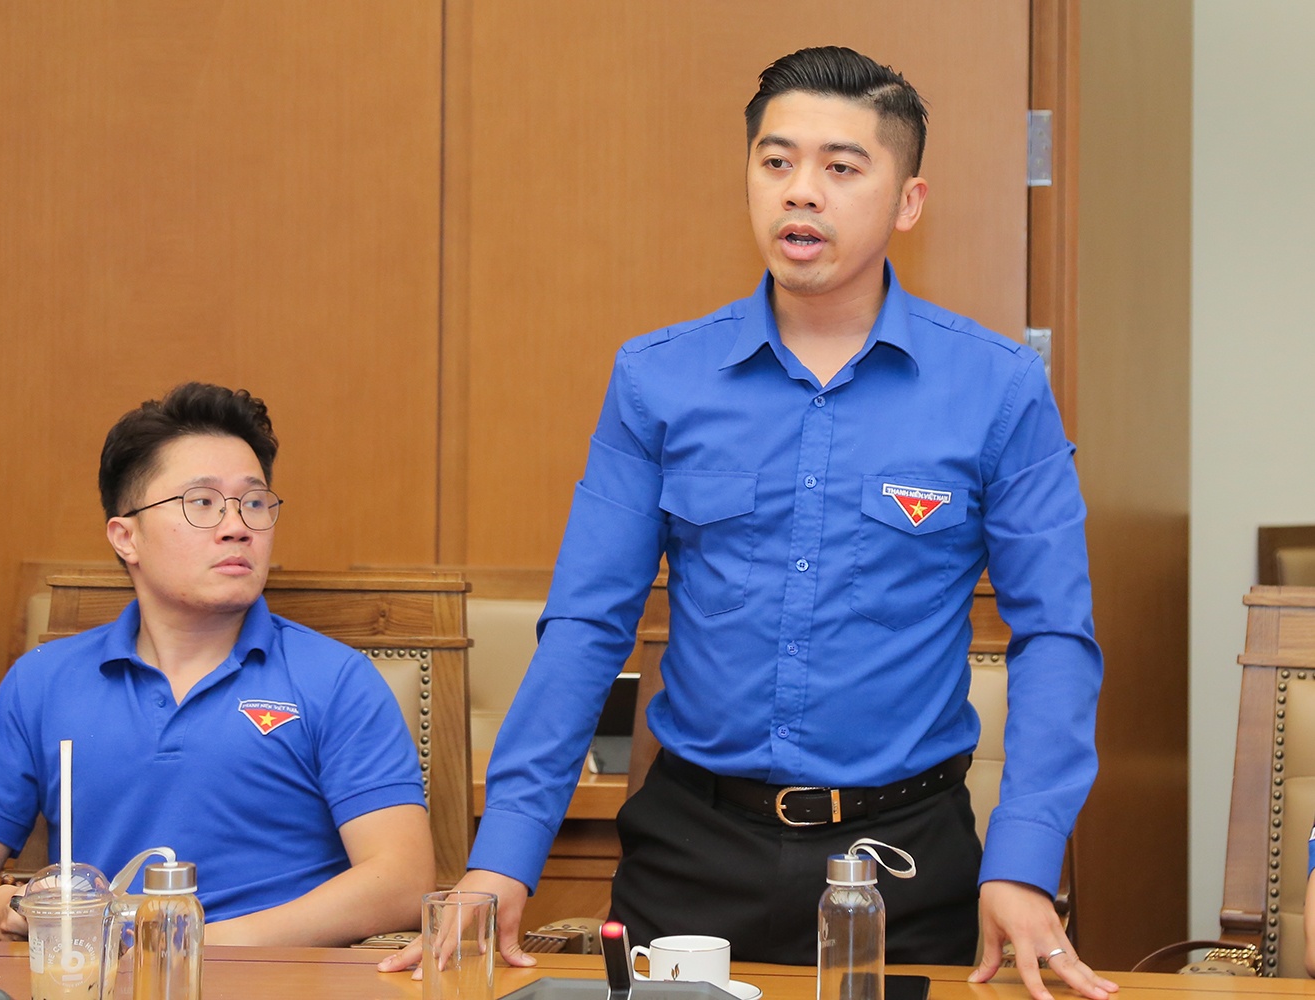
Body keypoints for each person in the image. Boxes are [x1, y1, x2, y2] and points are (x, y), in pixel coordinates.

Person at [383, 45, 1117, 1000]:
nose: (801, 191)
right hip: (692, 852)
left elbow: (1055, 634)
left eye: (841, 167)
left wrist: (1022, 862)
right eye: (777, 162)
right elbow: (587, 624)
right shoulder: (657, 378)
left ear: (909, 202)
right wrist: (505, 856)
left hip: (904, 860)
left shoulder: (998, 388)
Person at [0, 382, 435, 945]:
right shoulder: (44, 680)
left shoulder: (335, 678)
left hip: (274, 972)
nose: (238, 526)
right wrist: (6, 908)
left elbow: (401, 880)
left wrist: (194, 947)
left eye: (255, 503)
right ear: (126, 537)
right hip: (93, 973)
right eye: (202, 502)